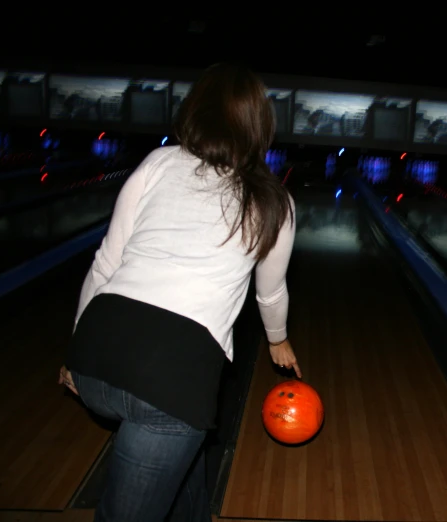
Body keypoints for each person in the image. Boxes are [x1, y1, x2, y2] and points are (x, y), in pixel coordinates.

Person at [57, 63, 300, 521]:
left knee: (182, 471)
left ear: (194, 111)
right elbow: (270, 294)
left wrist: (75, 353)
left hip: (96, 361)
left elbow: (105, 264)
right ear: (260, 126)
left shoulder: (158, 162)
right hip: (171, 379)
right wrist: (277, 339)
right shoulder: (274, 202)